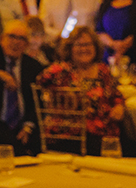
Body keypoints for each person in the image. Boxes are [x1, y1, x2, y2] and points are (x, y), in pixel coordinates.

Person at [37, 26, 125, 156]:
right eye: (78, 45)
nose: (84, 49)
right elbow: (39, 82)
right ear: (70, 48)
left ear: (95, 47)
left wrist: (119, 106)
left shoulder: (102, 70)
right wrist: (62, 95)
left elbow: (116, 94)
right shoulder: (61, 71)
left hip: (104, 132)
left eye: (88, 44)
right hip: (71, 133)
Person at [0, 20, 45, 156]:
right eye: (12, 37)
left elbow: (37, 103)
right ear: (2, 39)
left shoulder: (34, 67)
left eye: (22, 39)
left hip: (25, 123)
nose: (16, 42)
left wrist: (28, 127)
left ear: (27, 44)